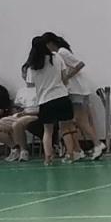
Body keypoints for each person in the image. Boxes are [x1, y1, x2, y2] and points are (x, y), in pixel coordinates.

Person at [42, 33, 105, 160]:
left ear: (50, 43)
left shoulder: (62, 52)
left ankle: (97, 144)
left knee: (80, 120)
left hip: (76, 90)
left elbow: (79, 64)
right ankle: (77, 150)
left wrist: (66, 77)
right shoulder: (57, 55)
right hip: (71, 91)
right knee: (71, 122)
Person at [25, 35, 81, 165]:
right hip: (61, 96)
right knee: (65, 128)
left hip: (45, 100)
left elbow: (30, 84)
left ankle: (48, 158)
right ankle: (70, 155)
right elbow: (64, 77)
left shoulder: (32, 65)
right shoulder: (56, 57)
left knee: (48, 131)